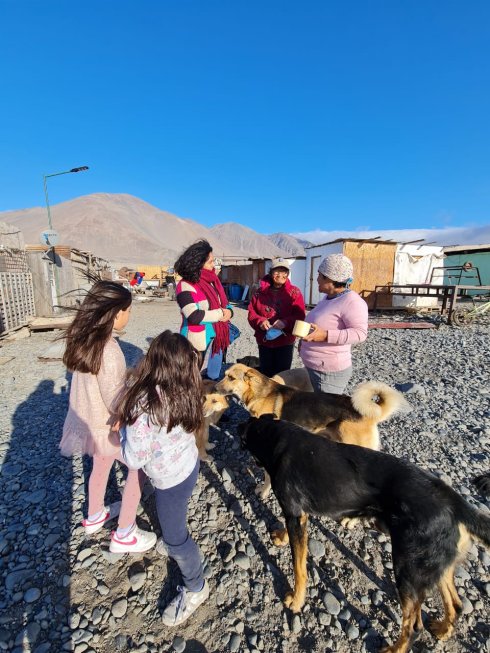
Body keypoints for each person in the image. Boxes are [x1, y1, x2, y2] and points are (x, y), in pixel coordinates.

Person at [115, 331, 209, 626]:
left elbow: (134, 459)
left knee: (176, 538)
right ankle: (179, 550)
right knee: (175, 518)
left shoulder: (143, 405)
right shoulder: (189, 388)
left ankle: (196, 587)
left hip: (168, 481)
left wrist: (118, 435)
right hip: (188, 467)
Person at [60, 279, 156, 553]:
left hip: (87, 421)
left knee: (100, 466)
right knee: (138, 469)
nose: (129, 316)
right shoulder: (111, 351)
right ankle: (125, 532)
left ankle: (94, 515)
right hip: (106, 426)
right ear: (116, 313)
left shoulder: (86, 340)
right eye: (128, 310)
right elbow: (116, 399)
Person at [300, 253, 368, 394]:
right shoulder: (328, 298)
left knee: (325, 414)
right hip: (316, 367)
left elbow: (360, 334)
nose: (316, 279)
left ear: (330, 278)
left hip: (329, 373)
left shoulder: (352, 302)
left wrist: (325, 335)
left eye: (319, 275)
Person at [174, 240, 232, 379]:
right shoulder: (185, 286)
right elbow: (193, 316)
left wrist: (230, 311)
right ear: (199, 264)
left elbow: (224, 303)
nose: (214, 265)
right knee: (190, 377)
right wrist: (220, 314)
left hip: (216, 336)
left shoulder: (213, 282)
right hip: (196, 341)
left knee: (210, 377)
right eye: (211, 262)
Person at [248, 257, 306, 377]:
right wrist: (260, 321)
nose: (280, 275)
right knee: (266, 375)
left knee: (283, 376)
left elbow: (300, 315)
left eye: (284, 271)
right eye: (277, 271)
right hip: (265, 342)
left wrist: (285, 322)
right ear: (270, 273)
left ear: (288, 273)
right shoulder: (259, 293)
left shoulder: (294, 292)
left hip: (285, 342)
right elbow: (251, 313)